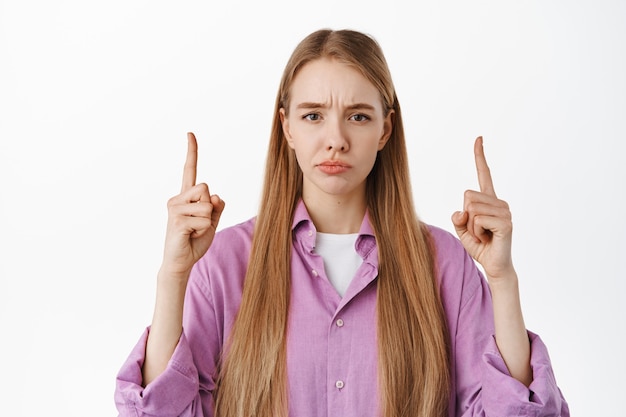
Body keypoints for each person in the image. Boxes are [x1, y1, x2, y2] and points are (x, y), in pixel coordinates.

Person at [114, 29, 569, 417]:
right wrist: (172, 276)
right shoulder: (225, 264)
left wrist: (502, 278)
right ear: (287, 128)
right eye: (313, 115)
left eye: (358, 116)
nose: (335, 140)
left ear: (385, 131)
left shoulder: (444, 262)